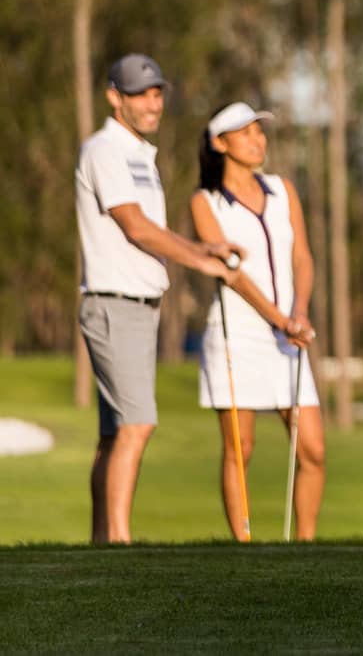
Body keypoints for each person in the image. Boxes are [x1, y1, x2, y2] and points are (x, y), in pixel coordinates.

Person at [76, 54, 246, 544]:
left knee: (114, 434)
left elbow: (151, 228)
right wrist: (201, 258)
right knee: (137, 425)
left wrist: (204, 248)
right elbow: (135, 227)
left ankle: (101, 543)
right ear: (115, 97)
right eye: (140, 95)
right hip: (115, 301)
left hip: (138, 304)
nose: (152, 104)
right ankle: (120, 544)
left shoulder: (138, 153)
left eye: (156, 94)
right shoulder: (104, 149)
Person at [190, 102, 321, 542]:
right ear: (219, 143)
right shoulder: (205, 202)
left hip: (289, 332)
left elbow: (301, 255)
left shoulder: (283, 189)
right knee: (240, 449)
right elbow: (233, 273)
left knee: (313, 449)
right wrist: (278, 318)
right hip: (238, 333)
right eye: (245, 133)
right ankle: (243, 547)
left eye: (259, 132)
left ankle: (306, 544)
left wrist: (298, 312)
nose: (257, 140)